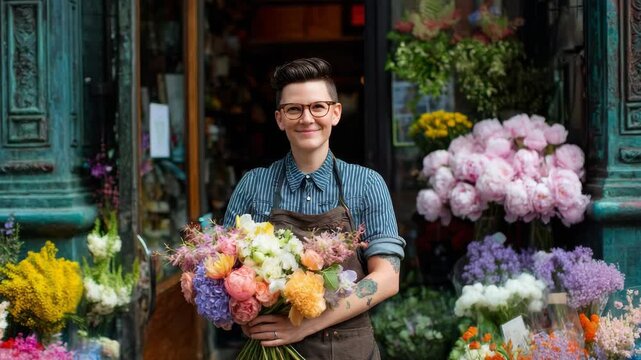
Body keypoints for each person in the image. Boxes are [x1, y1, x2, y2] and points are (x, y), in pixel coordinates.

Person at [223, 57, 405, 360]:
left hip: (350, 352)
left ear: (335, 113)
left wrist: (304, 326)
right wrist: (245, 314)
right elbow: (224, 271)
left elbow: (387, 278)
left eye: (318, 107)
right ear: (280, 118)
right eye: (294, 109)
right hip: (273, 351)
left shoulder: (366, 184)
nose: (307, 118)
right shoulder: (254, 185)